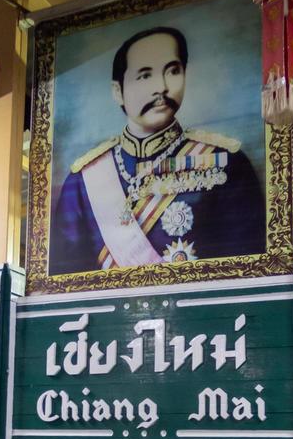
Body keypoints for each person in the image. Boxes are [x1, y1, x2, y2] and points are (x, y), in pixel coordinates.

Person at [50, 26, 266, 274]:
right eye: (145, 75)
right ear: (118, 91)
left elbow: (247, 270)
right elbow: (65, 278)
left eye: (173, 71)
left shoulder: (227, 163)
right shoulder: (82, 180)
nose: (161, 87)